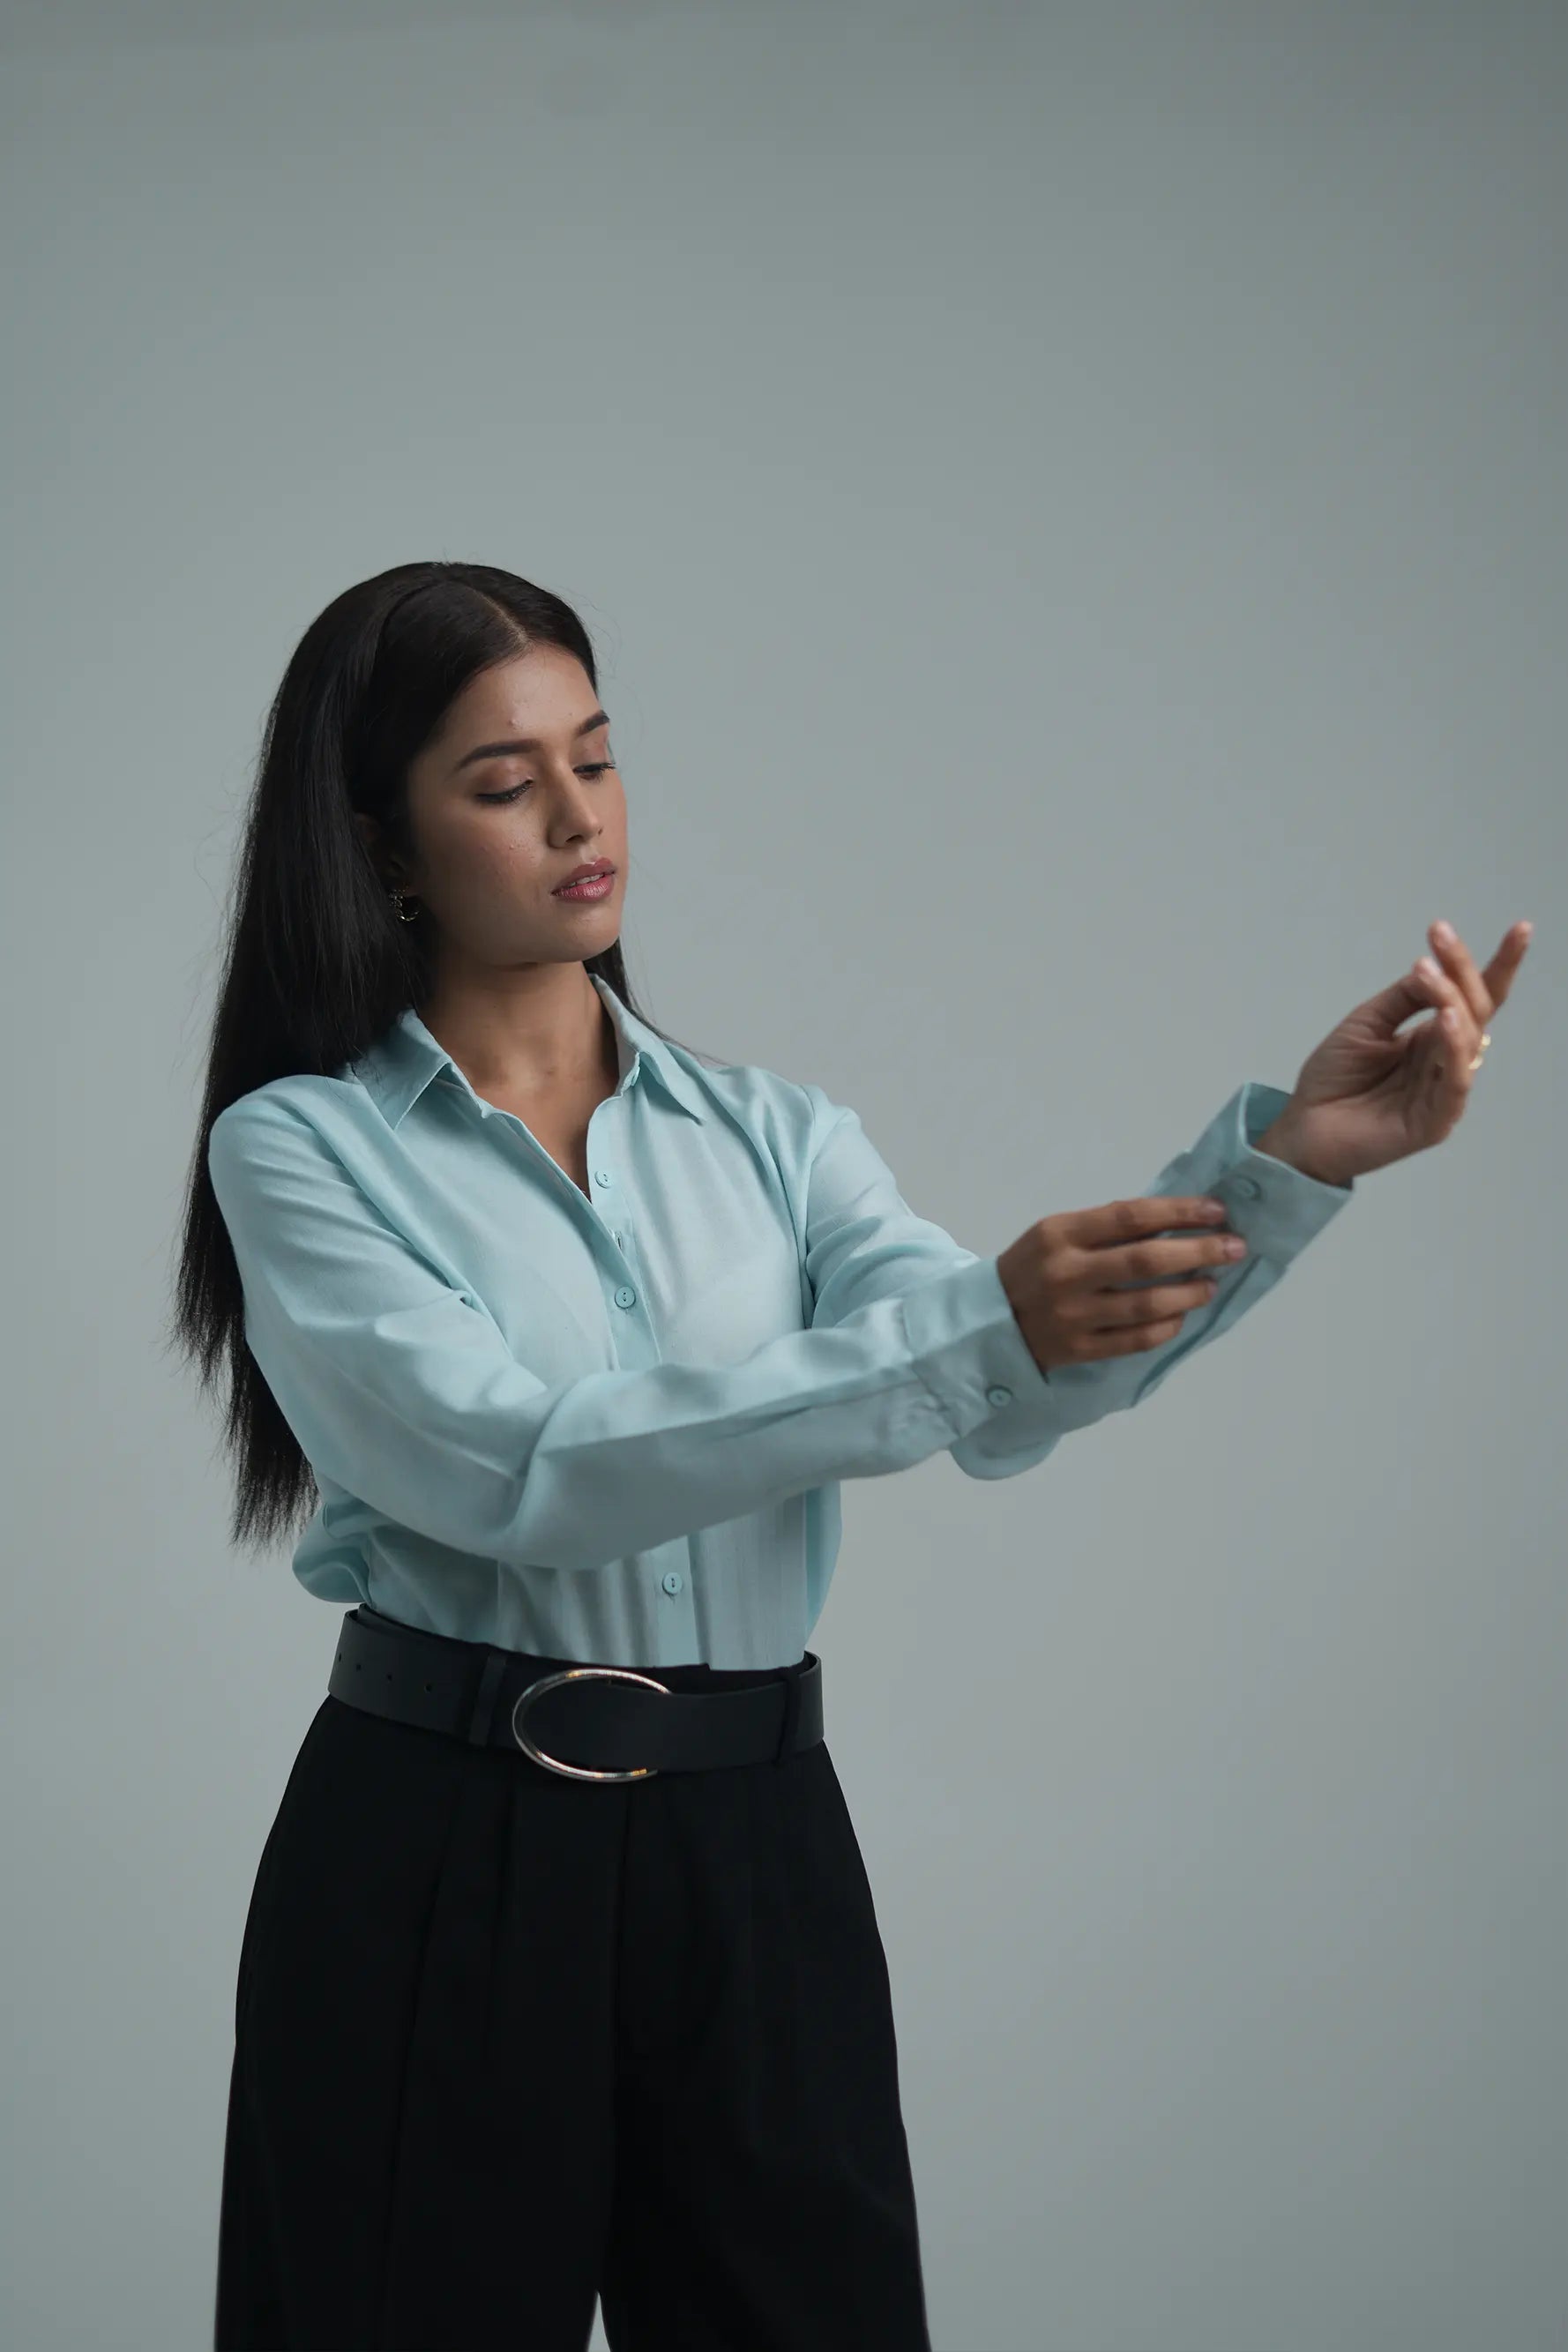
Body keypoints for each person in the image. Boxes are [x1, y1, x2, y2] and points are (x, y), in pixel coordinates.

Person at [170, 559, 1527, 2351]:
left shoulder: (780, 1137)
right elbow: (516, 1461)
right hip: (437, 1848)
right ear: (385, 845)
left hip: (757, 1851)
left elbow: (1001, 1390)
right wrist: (974, 1333)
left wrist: (1289, 1170)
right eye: (505, 784)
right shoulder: (301, 1152)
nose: (582, 818)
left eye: (598, 755)